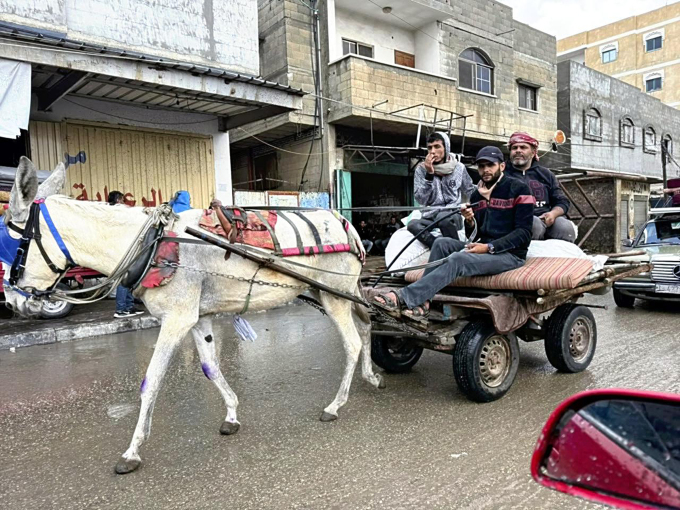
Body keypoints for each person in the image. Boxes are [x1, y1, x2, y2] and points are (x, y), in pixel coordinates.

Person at [373, 146, 534, 321]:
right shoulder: (476, 196)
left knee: (459, 259)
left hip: (509, 254)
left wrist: (489, 247)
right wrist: (470, 221)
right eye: (481, 166)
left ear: (502, 166)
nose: (486, 170)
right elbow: (477, 233)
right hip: (484, 247)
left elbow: (524, 233)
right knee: (442, 243)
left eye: (491, 165)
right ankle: (424, 300)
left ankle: (404, 297)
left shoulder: (518, 189)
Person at [407, 132, 476, 247]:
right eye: (430, 147)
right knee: (412, 225)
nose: (432, 151)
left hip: (453, 214)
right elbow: (421, 199)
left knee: (443, 218)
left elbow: (469, 189)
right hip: (431, 215)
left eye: (437, 146)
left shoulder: (459, 167)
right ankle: (437, 246)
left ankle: (456, 249)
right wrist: (429, 175)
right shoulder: (421, 169)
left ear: (446, 148)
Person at [504, 131, 576, 242]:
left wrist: (553, 214)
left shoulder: (546, 174)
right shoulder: (502, 175)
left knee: (564, 227)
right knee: (533, 224)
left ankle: (560, 259)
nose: (518, 150)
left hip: (546, 220)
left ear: (533, 153)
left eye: (523, 147)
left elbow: (562, 201)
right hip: (515, 222)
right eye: (514, 148)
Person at [108, 191, 144, 319]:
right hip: (121, 251)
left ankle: (129, 307)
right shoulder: (118, 211)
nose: (124, 202)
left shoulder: (108, 212)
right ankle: (120, 309)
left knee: (128, 280)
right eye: (122, 200)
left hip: (122, 249)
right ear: (118, 200)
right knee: (123, 281)